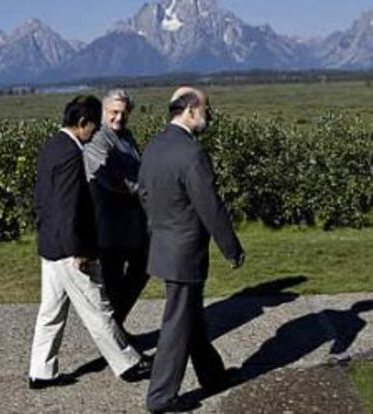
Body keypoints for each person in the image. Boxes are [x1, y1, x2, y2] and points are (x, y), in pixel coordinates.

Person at [28, 95, 151, 390]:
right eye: (94, 127)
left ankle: (41, 370)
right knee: (99, 308)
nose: (95, 133)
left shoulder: (51, 146)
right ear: (82, 123)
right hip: (70, 249)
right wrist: (80, 249)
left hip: (50, 245)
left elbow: (45, 201)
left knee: (51, 311)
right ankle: (128, 364)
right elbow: (70, 207)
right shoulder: (72, 154)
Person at [138, 87, 246, 413]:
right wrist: (232, 247)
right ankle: (161, 397)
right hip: (185, 251)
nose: (209, 115)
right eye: (206, 109)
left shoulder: (154, 146)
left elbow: (143, 192)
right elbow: (210, 206)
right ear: (190, 110)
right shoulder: (191, 153)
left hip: (164, 244)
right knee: (177, 325)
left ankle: (212, 377)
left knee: (192, 318)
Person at [83, 89, 149, 329]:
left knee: (142, 266)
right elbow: (110, 178)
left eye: (123, 113)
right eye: (113, 112)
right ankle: (112, 336)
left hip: (129, 221)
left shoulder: (127, 137)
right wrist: (146, 189)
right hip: (108, 222)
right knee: (113, 279)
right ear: (103, 111)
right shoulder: (98, 138)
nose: (119, 118)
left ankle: (114, 328)